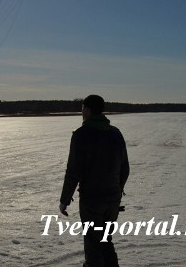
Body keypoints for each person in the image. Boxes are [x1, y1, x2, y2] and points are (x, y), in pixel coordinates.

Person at [59, 95, 130, 267]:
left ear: (88, 109)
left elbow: (73, 172)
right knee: (105, 241)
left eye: (83, 107)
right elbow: (125, 168)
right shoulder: (115, 133)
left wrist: (64, 201)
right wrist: (116, 191)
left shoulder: (81, 135)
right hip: (112, 199)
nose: (81, 111)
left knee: (93, 245)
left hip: (92, 200)